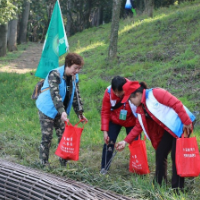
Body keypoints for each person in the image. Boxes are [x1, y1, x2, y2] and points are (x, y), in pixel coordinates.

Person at [116, 81, 196, 191]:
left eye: (130, 99)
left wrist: (186, 121)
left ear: (138, 95)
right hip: (169, 129)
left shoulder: (156, 94)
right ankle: (159, 184)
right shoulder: (140, 108)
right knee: (160, 152)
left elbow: (176, 103)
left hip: (182, 124)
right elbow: (138, 127)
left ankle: (177, 189)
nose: (131, 102)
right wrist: (125, 142)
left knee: (176, 156)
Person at [36, 53, 87, 167]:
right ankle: (44, 163)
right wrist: (62, 111)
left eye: (79, 68)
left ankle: (63, 162)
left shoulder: (74, 77)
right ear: (68, 64)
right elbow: (55, 94)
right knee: (47, 136)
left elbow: (76, 96)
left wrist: (80, 112)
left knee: (64, 136)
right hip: (47, 109)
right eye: (75, 68)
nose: (77, 70)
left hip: (61, 111)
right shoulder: (55, 74)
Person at [100, 76, 138, 174]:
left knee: (136, 144)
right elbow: (105, 112)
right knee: (109, 142)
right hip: (115, 120)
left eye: (119, 92)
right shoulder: (108, 92)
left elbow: (139, 111)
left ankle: (138, 168)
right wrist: (105, 132)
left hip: (132, 121)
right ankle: (104, 168)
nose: (117, 94)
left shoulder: (134, 92)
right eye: (115, 91)